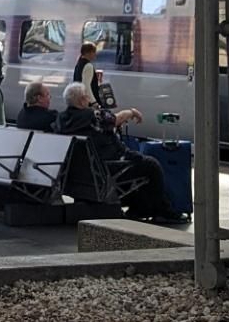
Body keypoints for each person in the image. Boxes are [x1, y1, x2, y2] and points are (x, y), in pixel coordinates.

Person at [55, 82, 180, 222]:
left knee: (140, 165)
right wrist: (132, 112)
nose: (89, 100)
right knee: (152, 165)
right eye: (87, 97)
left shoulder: (61, 119)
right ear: (82, 99)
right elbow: (115, 119)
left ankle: (140, 207)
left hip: (77, 176)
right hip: (104, 171)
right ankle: (162, 210)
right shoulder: (93, 116)